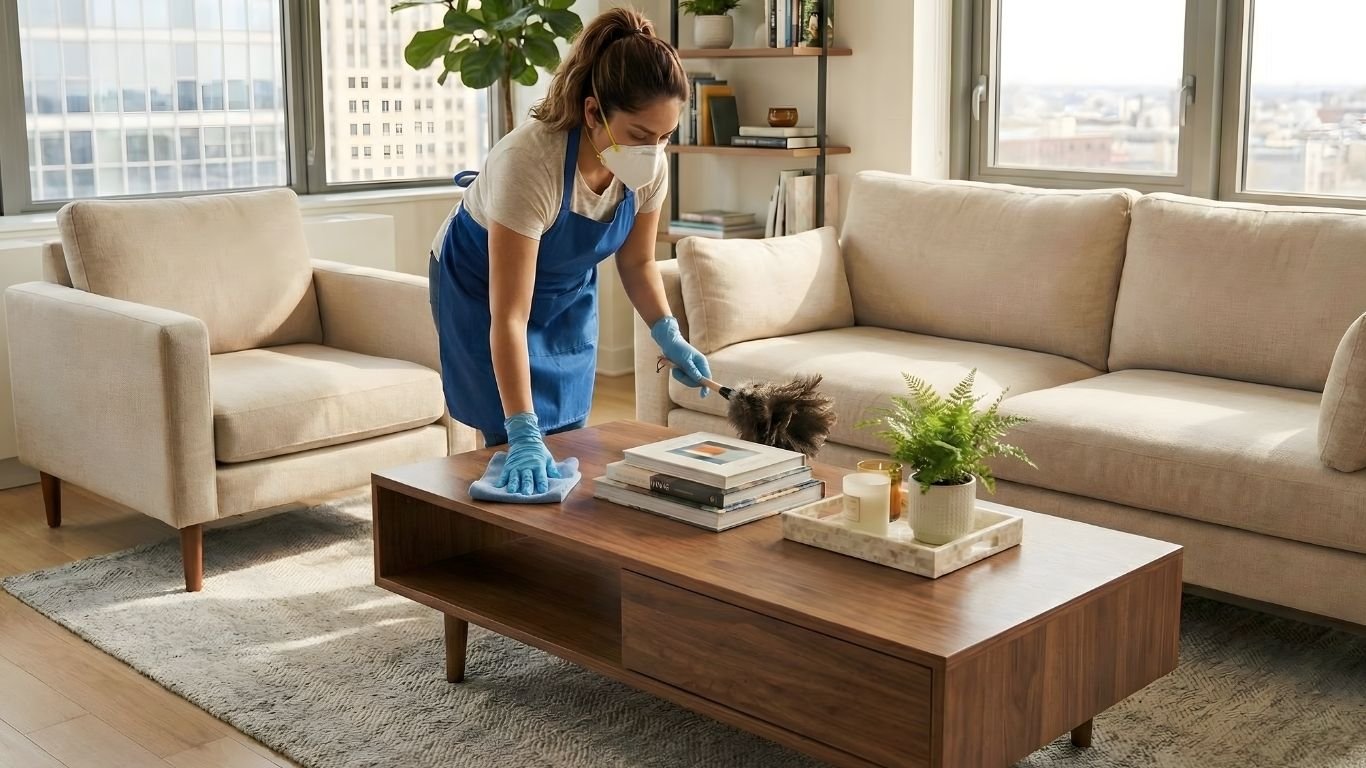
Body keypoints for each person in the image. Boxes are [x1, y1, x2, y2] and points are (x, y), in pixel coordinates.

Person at [428, 8, 710, 496]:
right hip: (479, 286)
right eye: (640, 135)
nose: (653, 151)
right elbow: (509, 316)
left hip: (565, 286)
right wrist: (522, 431)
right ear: (593, 112)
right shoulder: (529, 162)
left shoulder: (649, 169)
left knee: (568, 431)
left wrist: (669, 334)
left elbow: (638, 262)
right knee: (506, 434)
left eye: (664, 137)